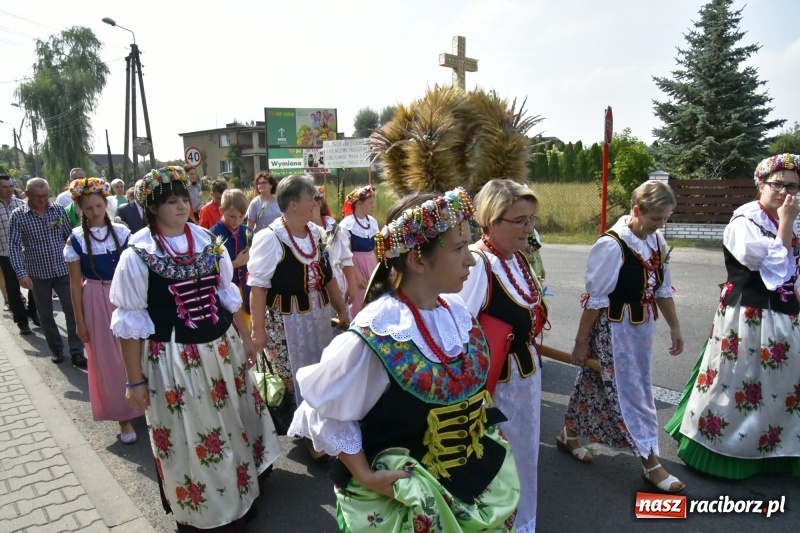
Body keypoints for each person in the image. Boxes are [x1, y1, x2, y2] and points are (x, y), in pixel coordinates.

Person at [289, 189, 520, 532]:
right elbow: (323, 408)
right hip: (407, 502)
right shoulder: (378, 332)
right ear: (417, 260)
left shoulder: (456, 313)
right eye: (458, 249)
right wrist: (365, 475)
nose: (471, 259)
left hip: (472, 483)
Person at [110, 166, 281, 531]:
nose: (181, 206)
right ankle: (207, 510)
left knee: (233, 421)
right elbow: (128, 325)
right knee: (194, 432)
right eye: (170, 201)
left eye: (184, 198)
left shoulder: (207, 241)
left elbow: (226, 296)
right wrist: (133, 381)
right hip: (174, 358)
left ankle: (240, 491)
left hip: (222, 349)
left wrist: (247, 339)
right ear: (153, 208)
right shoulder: (137, 254)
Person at [666, 154, 800, 480]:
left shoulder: (793, 220)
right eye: (777, 184)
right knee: (739, 382)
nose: (785, 192)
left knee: (782, 387)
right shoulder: (745, 222)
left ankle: (773, 452)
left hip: (785, 317)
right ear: (761, 185)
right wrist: (785, 223)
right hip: (748, 317)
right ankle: (723, 450)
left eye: (793, 186)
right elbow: (774, 272)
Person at [560, 180, 684, 493]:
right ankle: (650, 462)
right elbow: (595, 299)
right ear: (636, 210)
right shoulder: (612, 245)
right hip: (612, 332)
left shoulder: (658, 242)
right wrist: (579, 343)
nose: (660, 225)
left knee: (597, 383)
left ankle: (569, 434)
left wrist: (675, 327)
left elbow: (662, 290)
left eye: (665, 219)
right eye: (655, 218)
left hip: (641, 331)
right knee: (635, 395)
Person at [457, 178, 547, 533]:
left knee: (524, 458)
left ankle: (523, 522)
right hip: (497, 387)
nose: (529, 228)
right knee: (501, 462)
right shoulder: (479, 264)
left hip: (524, 381)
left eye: (532, 219)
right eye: (520, 220)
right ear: (491, 221)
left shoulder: (517, 258)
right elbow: (457, 331)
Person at [248, 174, 349, 428]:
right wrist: (257, 330)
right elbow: (258, 289)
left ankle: (319, 426)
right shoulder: (271, 238)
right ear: (294, 204)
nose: (317, 202)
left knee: (319, 371)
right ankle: (306, 432)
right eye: (311, 197)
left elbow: (328, 278)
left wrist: (342, 310)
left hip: (318, 318)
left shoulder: (317, 233)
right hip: (284, 325)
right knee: (293, 377)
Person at [64, 177, 143, 443]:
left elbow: (135, 270)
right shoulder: (75, 240)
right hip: (96, 297)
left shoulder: (121, 233)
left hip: (124, 295)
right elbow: (75, 285)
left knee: (137, 348)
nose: (95, 212)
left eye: (98, 205)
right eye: (88, 208)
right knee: (108, 358)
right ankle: (123, 418)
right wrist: (79, 321)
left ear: (106, 204)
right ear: (80, 210)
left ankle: (142, 400)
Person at [9, 178, 87, 367]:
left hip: (63, 270)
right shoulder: (18, 215)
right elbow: (13, 246)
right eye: (38, 197)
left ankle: (77, 352)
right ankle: (57, 349)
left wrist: (83, 266)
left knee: (72, 310)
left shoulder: (58, 210)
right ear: (27, 195)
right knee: (45, 313)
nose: (43, 200)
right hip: (37, 273)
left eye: (45, 196)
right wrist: (21, 274)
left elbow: (71, 237)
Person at [210, 189, 253, 330]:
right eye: (232, 216)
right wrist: (235, 264)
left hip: (246, 290)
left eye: (241, 217)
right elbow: (209, 270)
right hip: (223, 294)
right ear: (222, 210)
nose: (237, 221)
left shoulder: (248, 232)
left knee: (246, 330)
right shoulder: (212, 235)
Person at [0, 173, 37, 335]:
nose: (9, 190)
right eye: (5, 187)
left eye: (10, 186)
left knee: (34, 285)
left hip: (25, 253)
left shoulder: (21, 204)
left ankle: (34, 313)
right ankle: (22, 322)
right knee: (13, 289)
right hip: (5, 254)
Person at [310, 186, 356, 310]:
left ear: (318, 203)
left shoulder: (333, 228)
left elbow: (345, 258)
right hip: (310, 287)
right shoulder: (301, 228)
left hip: (334, 281)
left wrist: (351, 285)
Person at [340, 184, 378, 317]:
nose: (373, 206)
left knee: (373, 299)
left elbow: (374, 248)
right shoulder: (347, 224)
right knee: (358, 303)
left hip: (371, 263)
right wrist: (356, 276)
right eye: (370, 203)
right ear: (359, 203)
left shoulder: (372, 222)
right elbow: (346, 254)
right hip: (355, 266)